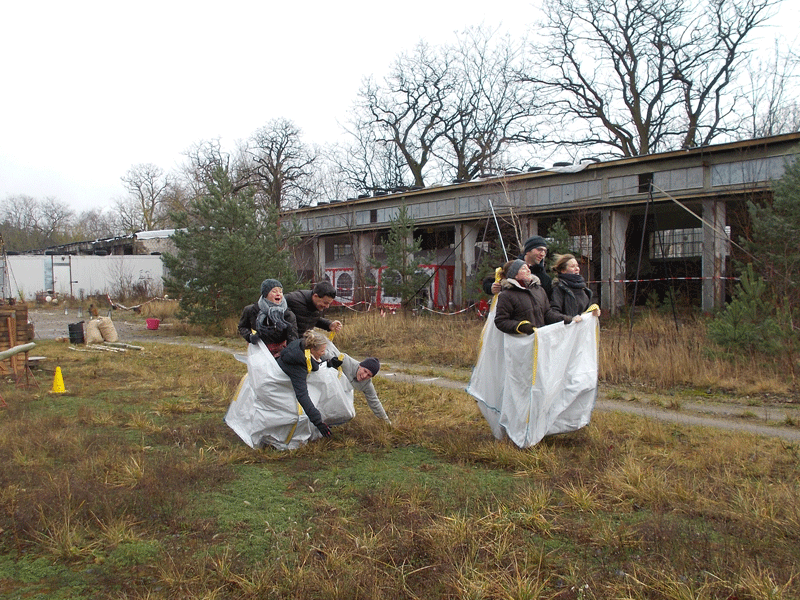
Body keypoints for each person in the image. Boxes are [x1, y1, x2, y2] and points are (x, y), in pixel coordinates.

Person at [277, 330, 344, 438]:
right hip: (281, 391)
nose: (324, 353)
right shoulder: (297, 364)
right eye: (322, 351)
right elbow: (302, 396)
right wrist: (318, 422)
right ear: (312, 349)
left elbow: (314, 364)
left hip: (293, 381)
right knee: (297, 414)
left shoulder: (304, 346)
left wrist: (329, 363)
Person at [494, 259, 559, 335]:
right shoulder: (506, 295)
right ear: (515, 274)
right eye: (524, 269)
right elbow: (501, 321)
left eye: (528, 268)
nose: (529, 271)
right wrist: (520, 327)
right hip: (520, 342)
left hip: (540, 340)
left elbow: (547, 313)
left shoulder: (539, 290)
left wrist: (566, 319)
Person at [238, 279, 298, 357]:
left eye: (280, 291)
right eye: (274, 291)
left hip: (281, 353)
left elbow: (293, 337)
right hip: (258, 351)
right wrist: (250, 337)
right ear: (265, 294)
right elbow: (242, 326)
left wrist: (288, 353)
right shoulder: (251, 310)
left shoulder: (287, 314)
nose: (278, 294)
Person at [482, 235, 553, 299]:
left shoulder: (545, 279)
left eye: (545, 251)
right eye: (539, 250)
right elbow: (487, 283)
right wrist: (491, 288)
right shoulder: (510, 267)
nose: (542, 254)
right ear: (528, 250)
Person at [337, 355, 391, 424]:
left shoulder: (367, 384)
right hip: (326, 385)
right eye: (365, 371)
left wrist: (386, 422)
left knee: (349, 414)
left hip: (340, 392)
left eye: (369, 375)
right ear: (360, 366)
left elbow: (374, 402)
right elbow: (326, 349)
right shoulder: (346, 361)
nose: (364, 376)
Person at [549, 254, 601, 324]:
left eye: (577, 266)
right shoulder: (558, 289)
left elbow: (586, 311)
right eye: (572, 266)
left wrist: (593, 312)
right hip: (567, 332)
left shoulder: (584, 289)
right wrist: (571, 319)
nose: (577, 269)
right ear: (563, 270)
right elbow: (552, 314)